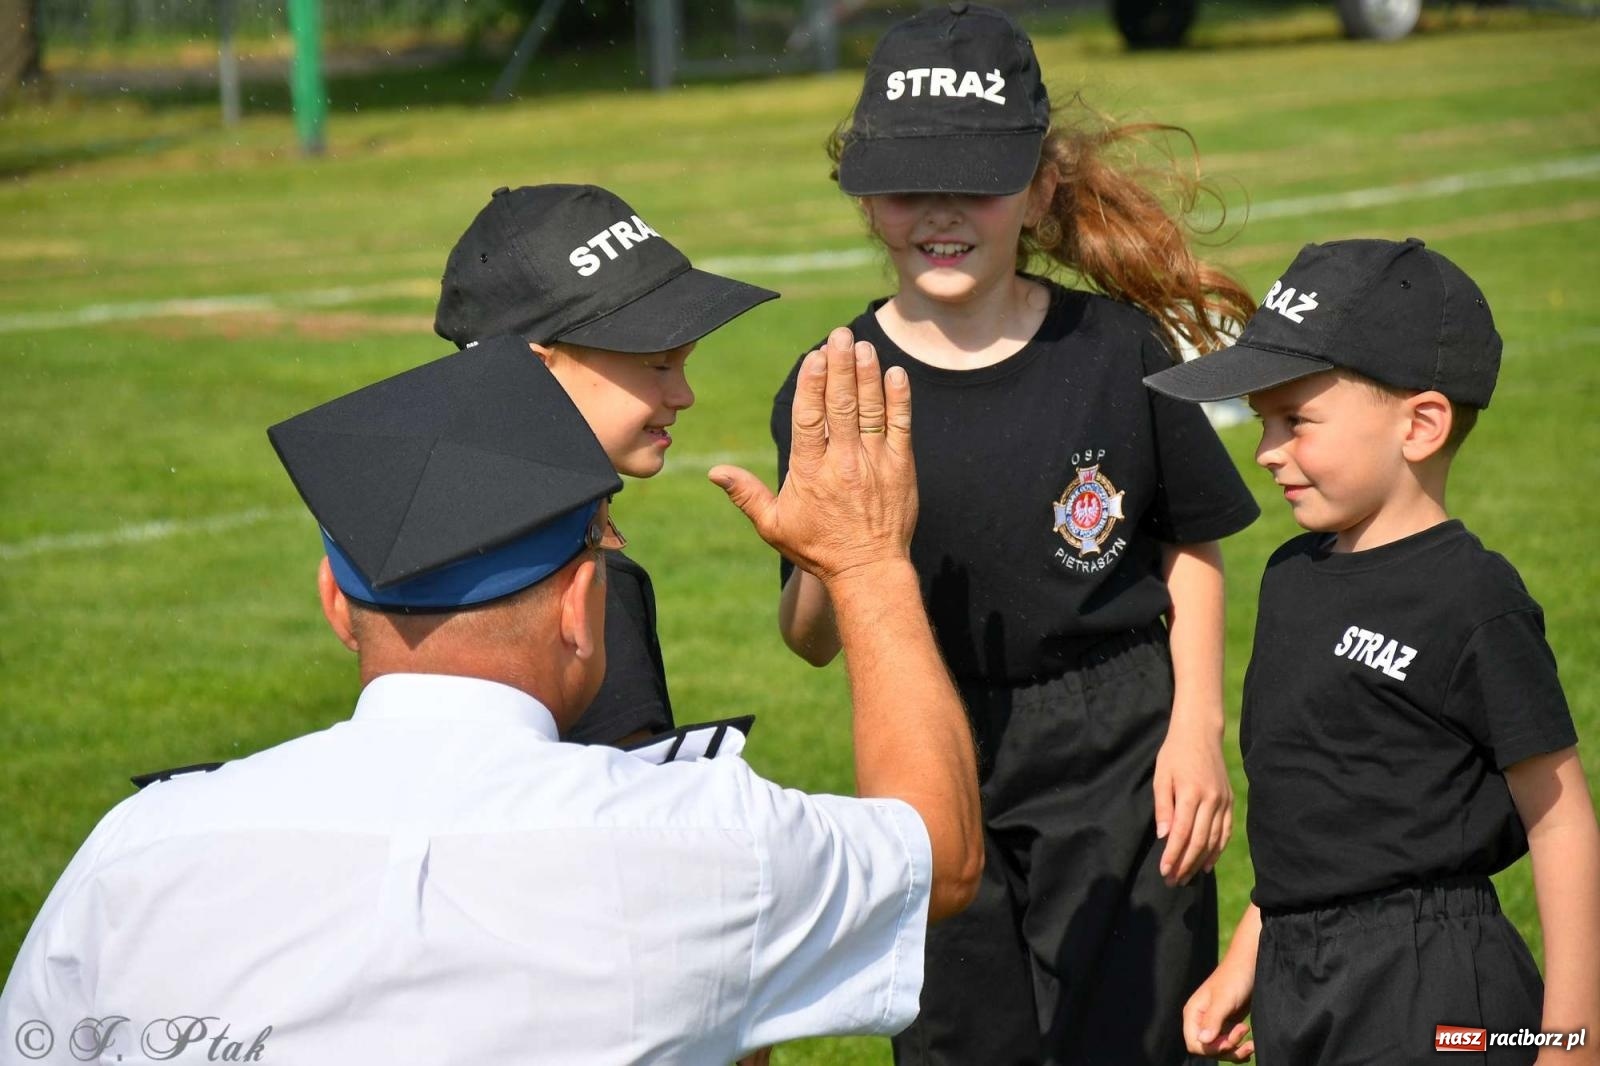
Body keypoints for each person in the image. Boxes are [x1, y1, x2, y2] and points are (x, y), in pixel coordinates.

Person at [0, 330, 983, 1064]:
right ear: (582, 609)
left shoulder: (138, 852)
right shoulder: (710, 839)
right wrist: (864, 563)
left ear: (337, 604)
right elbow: (935, 855)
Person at [771, 5, 1261, 1063]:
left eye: (977, 181)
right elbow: (813, 636)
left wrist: (1195, 728)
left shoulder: (1117, 350)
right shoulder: (835, 386)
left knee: (1129, 1033)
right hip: (927, 733)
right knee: (959, 1036)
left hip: (1117, 739)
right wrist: (828, 551)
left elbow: (1193, 546)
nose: (940, 214)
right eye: (908, 184)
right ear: (864, 197)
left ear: (1039, 190)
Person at [1145, 237, 1600, 1064]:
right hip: (1302, 977)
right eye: (1261, 422)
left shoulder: (1474, 601)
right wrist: (1249, 955)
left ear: (1420, 425)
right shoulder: (1290, 579)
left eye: (1296, 421)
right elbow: (1322, 817)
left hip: (1433, 986)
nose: (1266, 451)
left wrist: (1573, 1040)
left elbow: (1562, 822)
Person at [435, 182, 778, 747]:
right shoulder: (585, 590)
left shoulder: (441, 545)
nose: (685, 394)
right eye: (656, 364)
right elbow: (623, 821)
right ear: (534, 371)